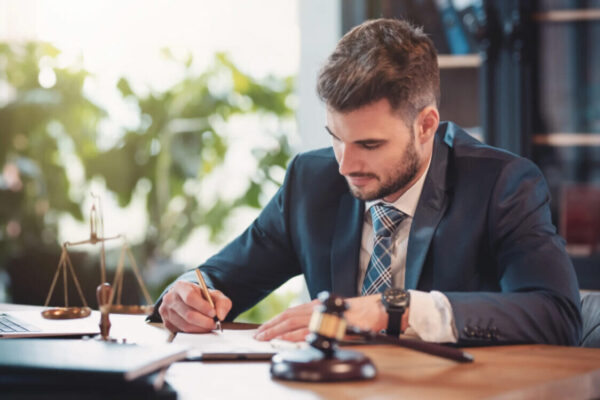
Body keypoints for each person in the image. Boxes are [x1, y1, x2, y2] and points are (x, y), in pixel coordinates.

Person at [150, 18, 582, 346]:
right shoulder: (311, 181)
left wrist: (393, 309)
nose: (345, 165)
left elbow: (557, 314)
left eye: (370, 144)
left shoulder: (500, 185)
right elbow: (218, 278)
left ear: (426, 125)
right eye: (336, 139)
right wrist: (186, 293)